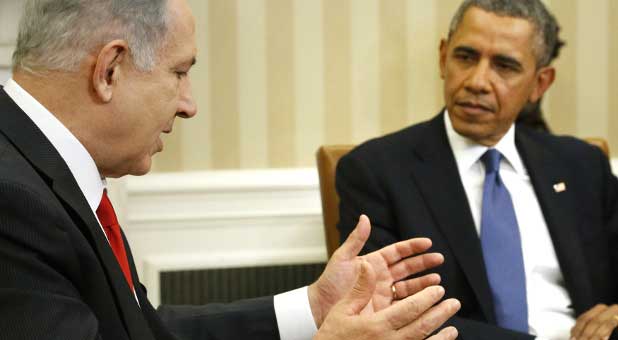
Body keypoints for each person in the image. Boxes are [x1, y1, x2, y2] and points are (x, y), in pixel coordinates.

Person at [0, 0, 462, 339]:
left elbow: (142, 330)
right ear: (110, 70)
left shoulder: (37, 167)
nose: (189, 105)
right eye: (179, 73)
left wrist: (314, 306)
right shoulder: (13, 202)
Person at [336, 1, 618, 340]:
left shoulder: (581, 165)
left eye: (505, 66)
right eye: (466, 57)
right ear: (443, 57)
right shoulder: (376, 172)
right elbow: (388, 316)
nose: (478, 81)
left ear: (540, 84)